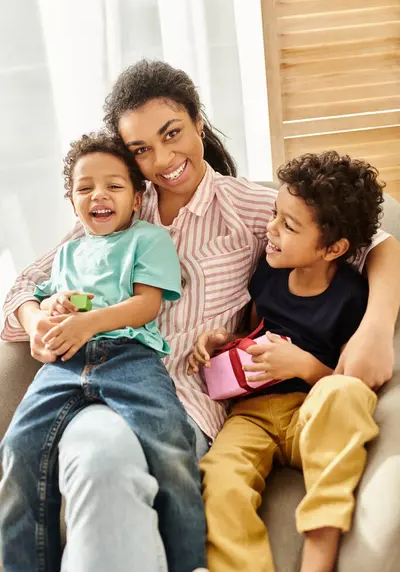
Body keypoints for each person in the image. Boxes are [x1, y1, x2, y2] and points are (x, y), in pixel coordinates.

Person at [1, 60, 399, 571]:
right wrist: (39, 322)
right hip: (95, 389)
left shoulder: (253, 211)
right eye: (141, 150)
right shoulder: (117, 207)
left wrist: (376, 328)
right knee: (99, 457)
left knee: (106, 464)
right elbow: (28, 284)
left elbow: (378, 243)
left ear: (198, 121)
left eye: (172, 134)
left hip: (185, 411)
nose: (163, 159)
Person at [0, 132, 207, 572]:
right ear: (72, 200)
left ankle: (190, 562)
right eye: (85, 187)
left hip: (129, 358)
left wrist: (86, 322)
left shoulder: (149, 239)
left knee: (170, 445)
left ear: (136, 198)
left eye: (114, 186)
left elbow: (146, 304)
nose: (99, 195)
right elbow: (49, 297)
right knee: (17, 449)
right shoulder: (67, 253)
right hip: (64, 365)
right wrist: (52, 310)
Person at [189, 152, 386, 572]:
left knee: (344, 394)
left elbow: (350, 383)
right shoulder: (268, 272)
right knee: (220, 480)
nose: (270, 229)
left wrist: (304, 366)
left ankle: (320, 552)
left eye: (288, 225)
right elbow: (254, 330)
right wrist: (223, 340)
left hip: (310, 411)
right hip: (253, 413)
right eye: (275, 214)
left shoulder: (352, 297)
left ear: (333, 248)